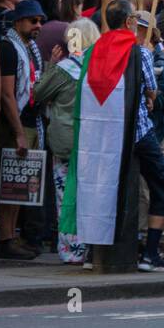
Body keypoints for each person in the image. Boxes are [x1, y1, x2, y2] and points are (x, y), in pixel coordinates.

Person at [31, 18, 101, 263]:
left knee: (66, 196)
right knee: (91, 194)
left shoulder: (65, 68)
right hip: (95, 140)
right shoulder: (102, 67)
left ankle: (72, 250)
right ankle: (93, 245)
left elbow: (38, 93)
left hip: (65, 142)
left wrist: (50, 65)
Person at [0, 0, 47, 259]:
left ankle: (11, 237)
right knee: (8, 184)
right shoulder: (8, 48)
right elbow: (7, 94)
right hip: (12, 125)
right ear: (18, 22)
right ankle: (5, 238)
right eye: (33, 20)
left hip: (28, 121)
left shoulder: (30, 48)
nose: (38, 25)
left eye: (40, 21)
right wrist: (19, 132)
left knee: (19, 185)